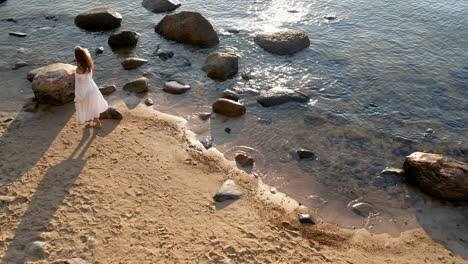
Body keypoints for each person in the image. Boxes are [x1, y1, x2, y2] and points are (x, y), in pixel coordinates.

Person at [74, 46, 108, 128]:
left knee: (88, 106)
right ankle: (93, 120)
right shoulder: (90, 63)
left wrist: (78, 94)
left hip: (84, 89)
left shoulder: (79, 69)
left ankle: (98, 123)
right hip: (92, 86)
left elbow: (78, 82)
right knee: (92, 105)